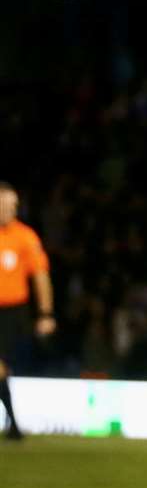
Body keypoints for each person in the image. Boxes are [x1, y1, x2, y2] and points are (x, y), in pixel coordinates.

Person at [0, 181, 55, 440]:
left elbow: (40, 276)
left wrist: (46, 314)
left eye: (14, 205)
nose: (12, 209)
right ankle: (14, 426)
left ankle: (14, 425)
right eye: (6, 204)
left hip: (11, 314)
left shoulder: (25, 236)